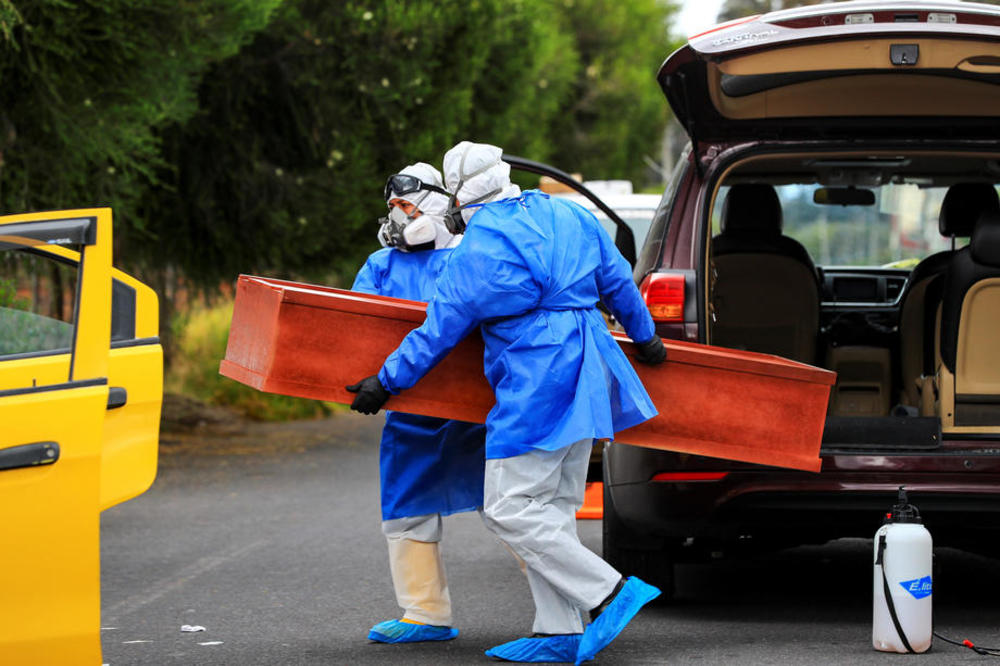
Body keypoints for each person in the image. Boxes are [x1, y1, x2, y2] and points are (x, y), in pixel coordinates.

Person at [347, 141, 667, 664]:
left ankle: (610, 591)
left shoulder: (478, 251)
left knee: (508, 508)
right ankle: (560, 631)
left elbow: (438, 332)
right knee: (554, 509)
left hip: (536, 381)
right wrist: (647, 338)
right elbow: (616, 278)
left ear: (459, 195)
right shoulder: (567, 213)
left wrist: (383, 382)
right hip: (591, 375)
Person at [349, 161, 486, 645]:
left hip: (478, 409)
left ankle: (568, 604)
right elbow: (359, 329)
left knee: (515, 508)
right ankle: (424, 613)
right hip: (411, 412)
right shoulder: (381, 265)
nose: (397, 215)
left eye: (406, 205)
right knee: (405, 510)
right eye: (392, 207)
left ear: (434, 205)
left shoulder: (473, 258)